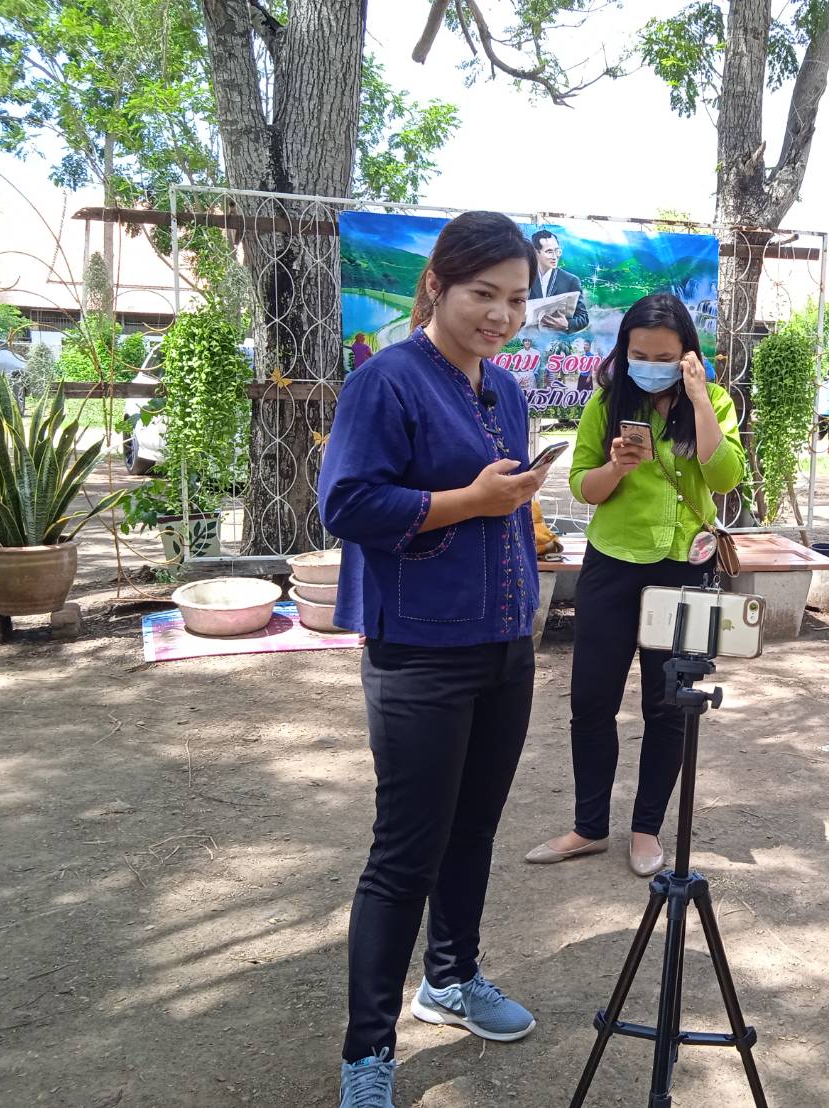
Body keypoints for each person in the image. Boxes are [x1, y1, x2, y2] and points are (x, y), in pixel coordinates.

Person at [319, 211, 550, 1108]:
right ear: (437, 288)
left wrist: (516, 509)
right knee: (404, 852)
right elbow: (347, 503)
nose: (500, 315)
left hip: (501, 643)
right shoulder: (387, 382)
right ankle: (367, 1054)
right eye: (483, 295)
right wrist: (467, 501)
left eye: (516, 299)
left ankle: (450, 981)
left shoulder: (504, 389)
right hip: (420, 650)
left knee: (472, 831)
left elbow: (494, 505)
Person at [524, 293, 744, 877]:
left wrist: (698, 400)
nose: (650, 363)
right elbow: (583, 489)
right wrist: (616, 466)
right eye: (639, 353)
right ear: (623, 351)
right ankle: (589, 826)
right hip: (612, 565)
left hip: (684, 567)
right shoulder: (605, 403)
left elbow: (725, 477)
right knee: (591, 701)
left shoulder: (713, 401)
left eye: (665, 356)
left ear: (688, 356)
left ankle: (646, 829)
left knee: (668, 706)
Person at [530, 229, 590, 333]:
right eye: (549, 252)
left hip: (556, 340)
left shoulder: (570, 280)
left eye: (557, 251)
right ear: (536, 253)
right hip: (526, 339)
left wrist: (567, 324)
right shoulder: (524, 277)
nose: (555, 256)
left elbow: (583, 317)